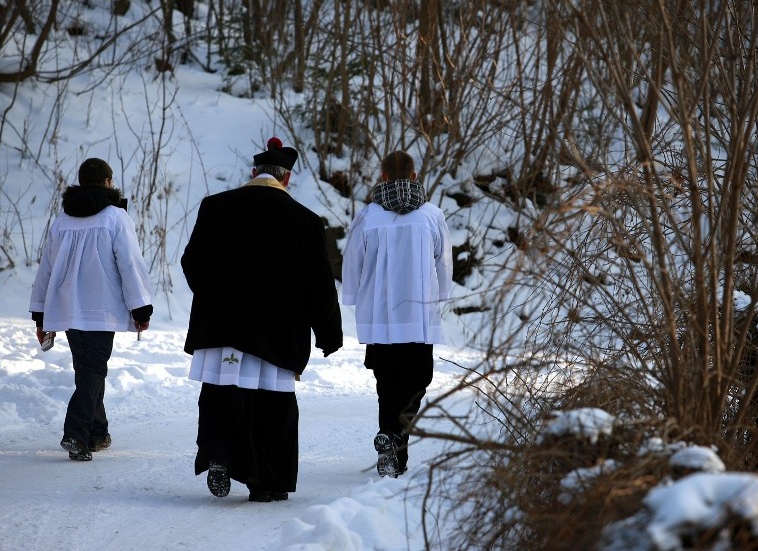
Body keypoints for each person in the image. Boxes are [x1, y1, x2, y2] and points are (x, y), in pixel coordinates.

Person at [182, 137, 342, 502]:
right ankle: (266, 482)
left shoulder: (215, 207)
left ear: (253, 173)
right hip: (276, 332)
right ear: (286, 180)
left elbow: (192, 262)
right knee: (273, 405)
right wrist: (329, 333)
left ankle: (220, 455)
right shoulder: (305, 221)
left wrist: (212, 296)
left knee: (221, 392)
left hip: (221, 324)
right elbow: (319, 285)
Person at [29, 157, 153, 462]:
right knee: (92, 371)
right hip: (101, 310)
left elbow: (46, 269)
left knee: (87, 371)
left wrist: (40, 313)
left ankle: (98, 433)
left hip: (68, 309)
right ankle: (76, 434)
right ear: (109, 183)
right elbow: (129, 264)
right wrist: (141, 308)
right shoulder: (114, 218)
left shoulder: (63, 221)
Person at [342, 150, 453, 478]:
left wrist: (354, 298)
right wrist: (441, 297)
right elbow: (443, 262)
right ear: (415, 177)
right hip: (418, 315)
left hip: (380, 315)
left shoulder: (368, 216)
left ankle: (389, 438)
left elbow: (352, 262)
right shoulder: (432, 215)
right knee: (418, 379)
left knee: (387, 382)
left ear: (383, 177)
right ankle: (393, 439)